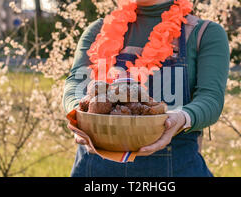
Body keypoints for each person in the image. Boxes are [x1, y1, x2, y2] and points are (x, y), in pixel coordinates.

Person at [63, 0, 229, 177]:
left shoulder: (204, 33)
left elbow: (210, 99)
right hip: (94, 170)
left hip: (176, 170)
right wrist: (79, 116)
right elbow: (75, 84)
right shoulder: (98, 31)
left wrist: (179, 119)